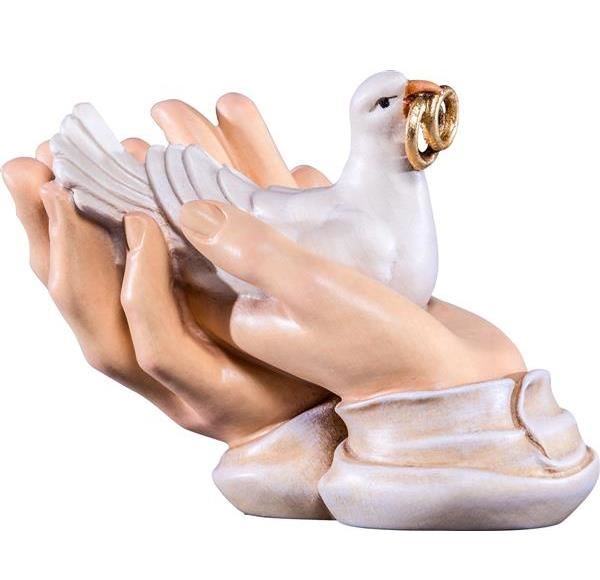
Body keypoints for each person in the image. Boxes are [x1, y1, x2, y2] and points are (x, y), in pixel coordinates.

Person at [3, 94, 596, 529]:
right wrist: (450, 408)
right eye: (390, 104)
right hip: (205, 213)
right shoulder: (364, 230)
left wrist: (303, 426)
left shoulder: (376, 219)